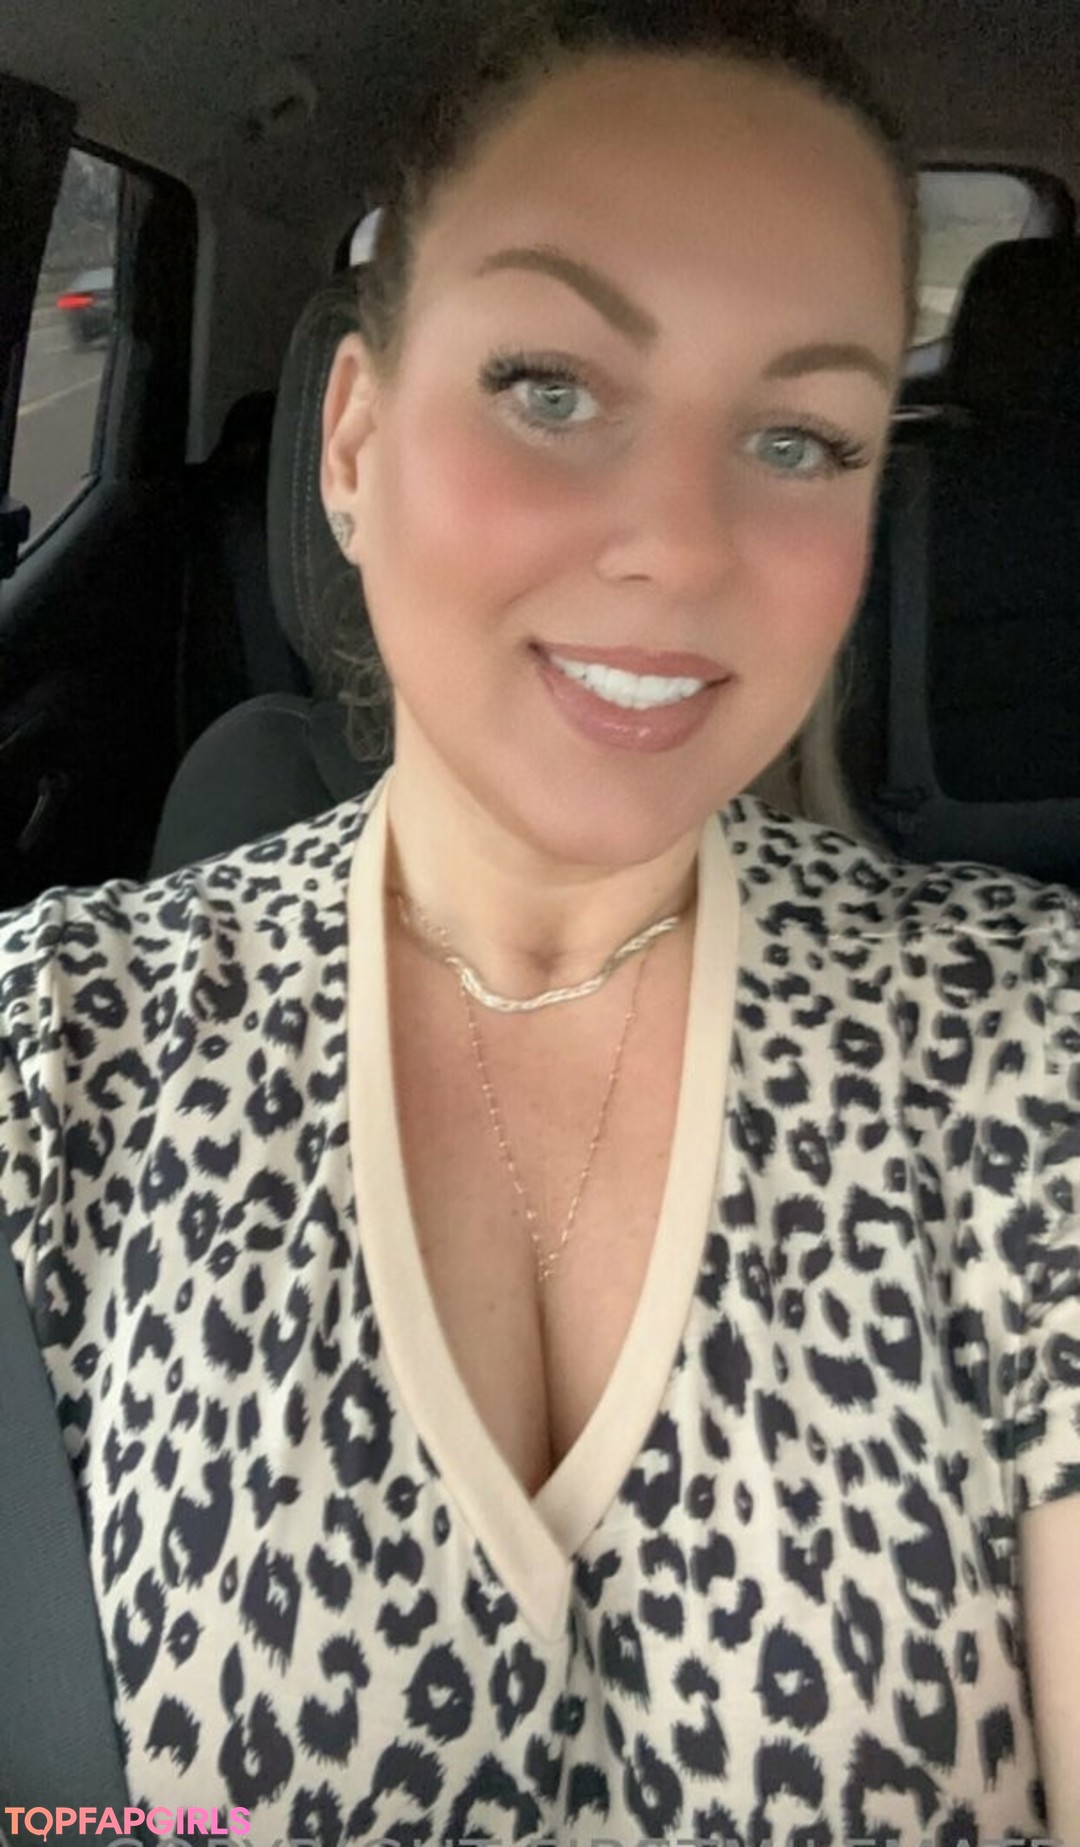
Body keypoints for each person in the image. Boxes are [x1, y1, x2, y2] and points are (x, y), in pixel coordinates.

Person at [1, 0, 1077, 1837]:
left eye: (799, 438)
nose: (679, 545)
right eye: (552, 388)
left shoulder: (1021, 1041)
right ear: (353, 444)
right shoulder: (60, 1048)